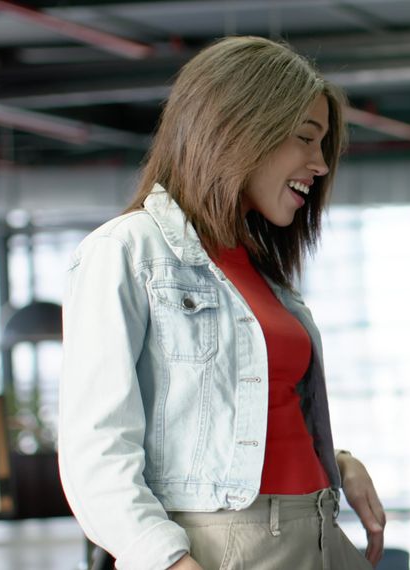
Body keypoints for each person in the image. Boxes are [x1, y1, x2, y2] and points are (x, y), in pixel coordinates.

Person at [58, 36, 384, 570]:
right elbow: (96, 455)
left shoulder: (263, 270)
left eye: (323, 145)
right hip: (220, 549)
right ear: (239, 129)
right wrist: (165, 561)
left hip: (320, 532)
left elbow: (247, 418)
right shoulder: (125, 252)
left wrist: (336, 463)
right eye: (306, 138)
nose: (320, 164)